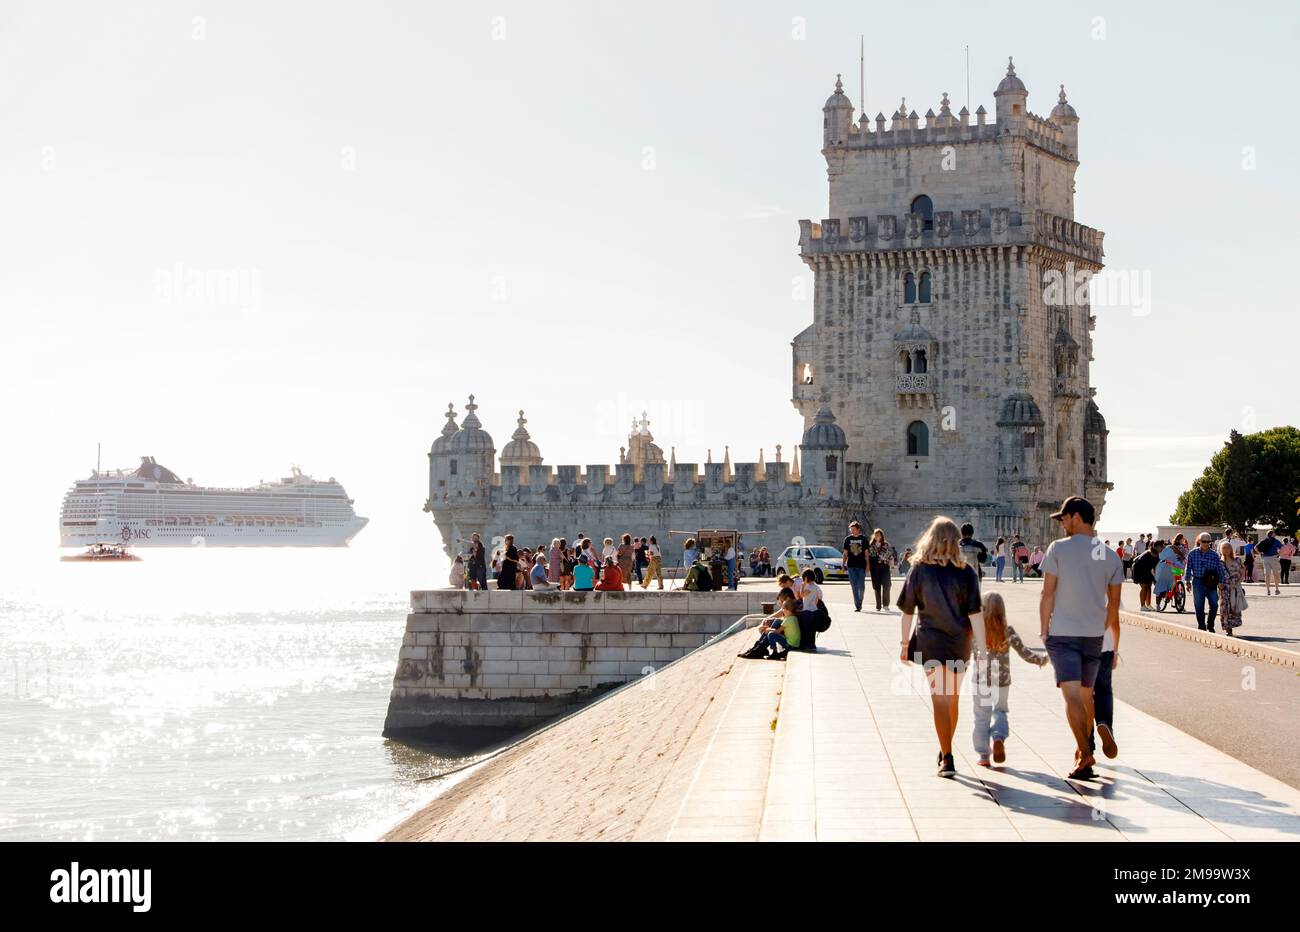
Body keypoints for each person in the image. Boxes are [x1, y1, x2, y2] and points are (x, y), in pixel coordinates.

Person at [1038, 496, 1123, 781]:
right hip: (1093, 636)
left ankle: (1085, 752)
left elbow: (1047, 593)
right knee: (1087, 696)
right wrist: (1101, 628)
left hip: (1063, 633)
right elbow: (1114, 605)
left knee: (1071, 695)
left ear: (1076, 517)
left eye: (1064, 518)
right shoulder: (1110, 556)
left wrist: (1043, 630)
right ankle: (1083, 752)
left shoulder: (1058, 549)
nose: (1062, 523)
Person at [897, 516, 986, 778]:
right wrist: (981, 649)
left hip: (930, 642)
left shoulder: (919, 570)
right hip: (959, 643)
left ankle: (946, 755)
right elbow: (975, 614)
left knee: (939, 699)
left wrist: (904, 644)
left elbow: (906, 612)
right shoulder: (966, 572)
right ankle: (946, 749)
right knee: (953, 698)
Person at [972, 592, 1048, 766]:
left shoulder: (977, 629)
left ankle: (983, 756)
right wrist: (1042, 659)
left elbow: (967, 651)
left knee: (981, 717)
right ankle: (998, 737)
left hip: (980, 679)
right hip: (1002, 680)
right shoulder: (1008, 631)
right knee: (1000, 711)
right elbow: (1024, 652)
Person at [1186, 532, 1224, 633]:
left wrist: (1221, 581)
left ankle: (1210, 624)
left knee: (1214, 605)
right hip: (1197, 581)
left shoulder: (1214, 555)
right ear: (1199, 541)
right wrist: (1187, 581)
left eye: (1208, 542)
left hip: (1211, 582)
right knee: (1199, 606)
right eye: (1204, 541)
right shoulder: (1192, 553)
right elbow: (1188, 568)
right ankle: (1201, 626)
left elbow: (1219, 569)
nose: (1206, 543)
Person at [1216, 539, 1247, 638]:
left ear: (1231, 549)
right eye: (1223, 548)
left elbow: (1243, 572)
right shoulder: (1219, 562)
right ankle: (1227, 628)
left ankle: (1233, 624)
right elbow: (1216, 574)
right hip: (1224, 587)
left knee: (1234, 607)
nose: (1226, 550)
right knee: (1224, 607)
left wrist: (1238, 582)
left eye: (1228, 548)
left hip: (1235, 586)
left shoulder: (1237, 560)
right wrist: (1219, 583)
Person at [842, 521, 870, 612]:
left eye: (853, 529)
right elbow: (845, 553)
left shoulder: (863, 539)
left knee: (861, 586)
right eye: (851, 529)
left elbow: (866, 553)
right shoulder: (847, 539)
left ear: (858, 529)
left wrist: (868, 564)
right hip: (851, 566)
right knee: (854, 586)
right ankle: (857, 605)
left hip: (861, 565)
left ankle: (860, 601)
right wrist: (843, 564)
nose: (852, 531)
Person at [867, 527, 894, 612]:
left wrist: (891, 567)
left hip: (884, 566)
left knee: (887, 585)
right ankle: (878, 605)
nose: (877, 536)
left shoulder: (886, 545)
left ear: (882, 536)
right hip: (874, 567)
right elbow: (868, 557)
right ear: (874, 536)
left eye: (879, 535)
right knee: (876, 586)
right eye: (876, 535)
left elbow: (890, 556)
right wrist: (868, 567)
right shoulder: (871, 545)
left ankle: (885, 604)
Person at [1154, 535, 1186, 607]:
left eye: (1157, 548)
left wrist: (1183, 558)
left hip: (1173, 567)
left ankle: (1178, 603)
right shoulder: (1159, 553)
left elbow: (1177, 551)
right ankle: (1158, 604)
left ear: (1160, 546)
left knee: (1178, 581)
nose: (1157, 549)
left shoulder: (1170, 547)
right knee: (1161, 587)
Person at [1131, 539, 1159, 611]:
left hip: (1146, 570)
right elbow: (1150, 569)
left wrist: (1154, 580)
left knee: (1149, 586)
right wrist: (1154, 579)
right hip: (1138, 569)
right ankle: (1142, 606)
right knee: (1144, 586)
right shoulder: (1147, 555)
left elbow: (1155, 568)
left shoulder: (1156, 554)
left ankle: (1148, 605)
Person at [1254, 529, 1282, 595]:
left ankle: (1268, 590)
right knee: (1275, 574)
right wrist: (1279, 554)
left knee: (1267, 575)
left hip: (1266, 558)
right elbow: (1281, 547)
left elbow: (1255, 547)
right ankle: (1276, 589)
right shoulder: (1275, 541)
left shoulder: (1264, 541)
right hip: (1274, 558)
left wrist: (1260, 553)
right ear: (1272, 534)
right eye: (1274, 534)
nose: (1275, 535)